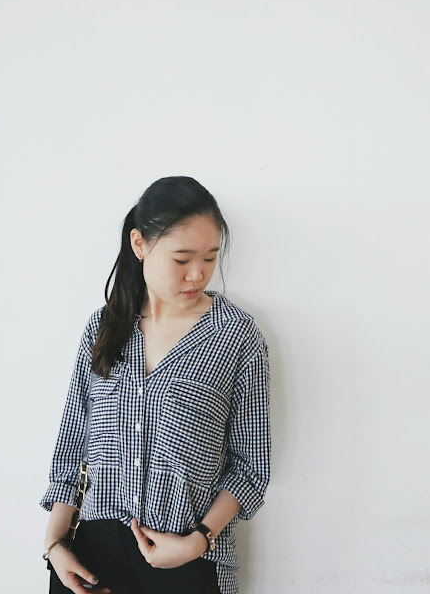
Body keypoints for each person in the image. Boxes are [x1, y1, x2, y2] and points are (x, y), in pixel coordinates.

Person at [39, 176, 271, 594]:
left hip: (187, 560)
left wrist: (199, 540)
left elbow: (250, 467)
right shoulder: (103, 328)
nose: (198, 274)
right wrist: (54, 545)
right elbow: (72, 449)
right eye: (181, 259)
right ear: (140, 244)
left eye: (210, 257)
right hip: (90, 560)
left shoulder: (237, 337)